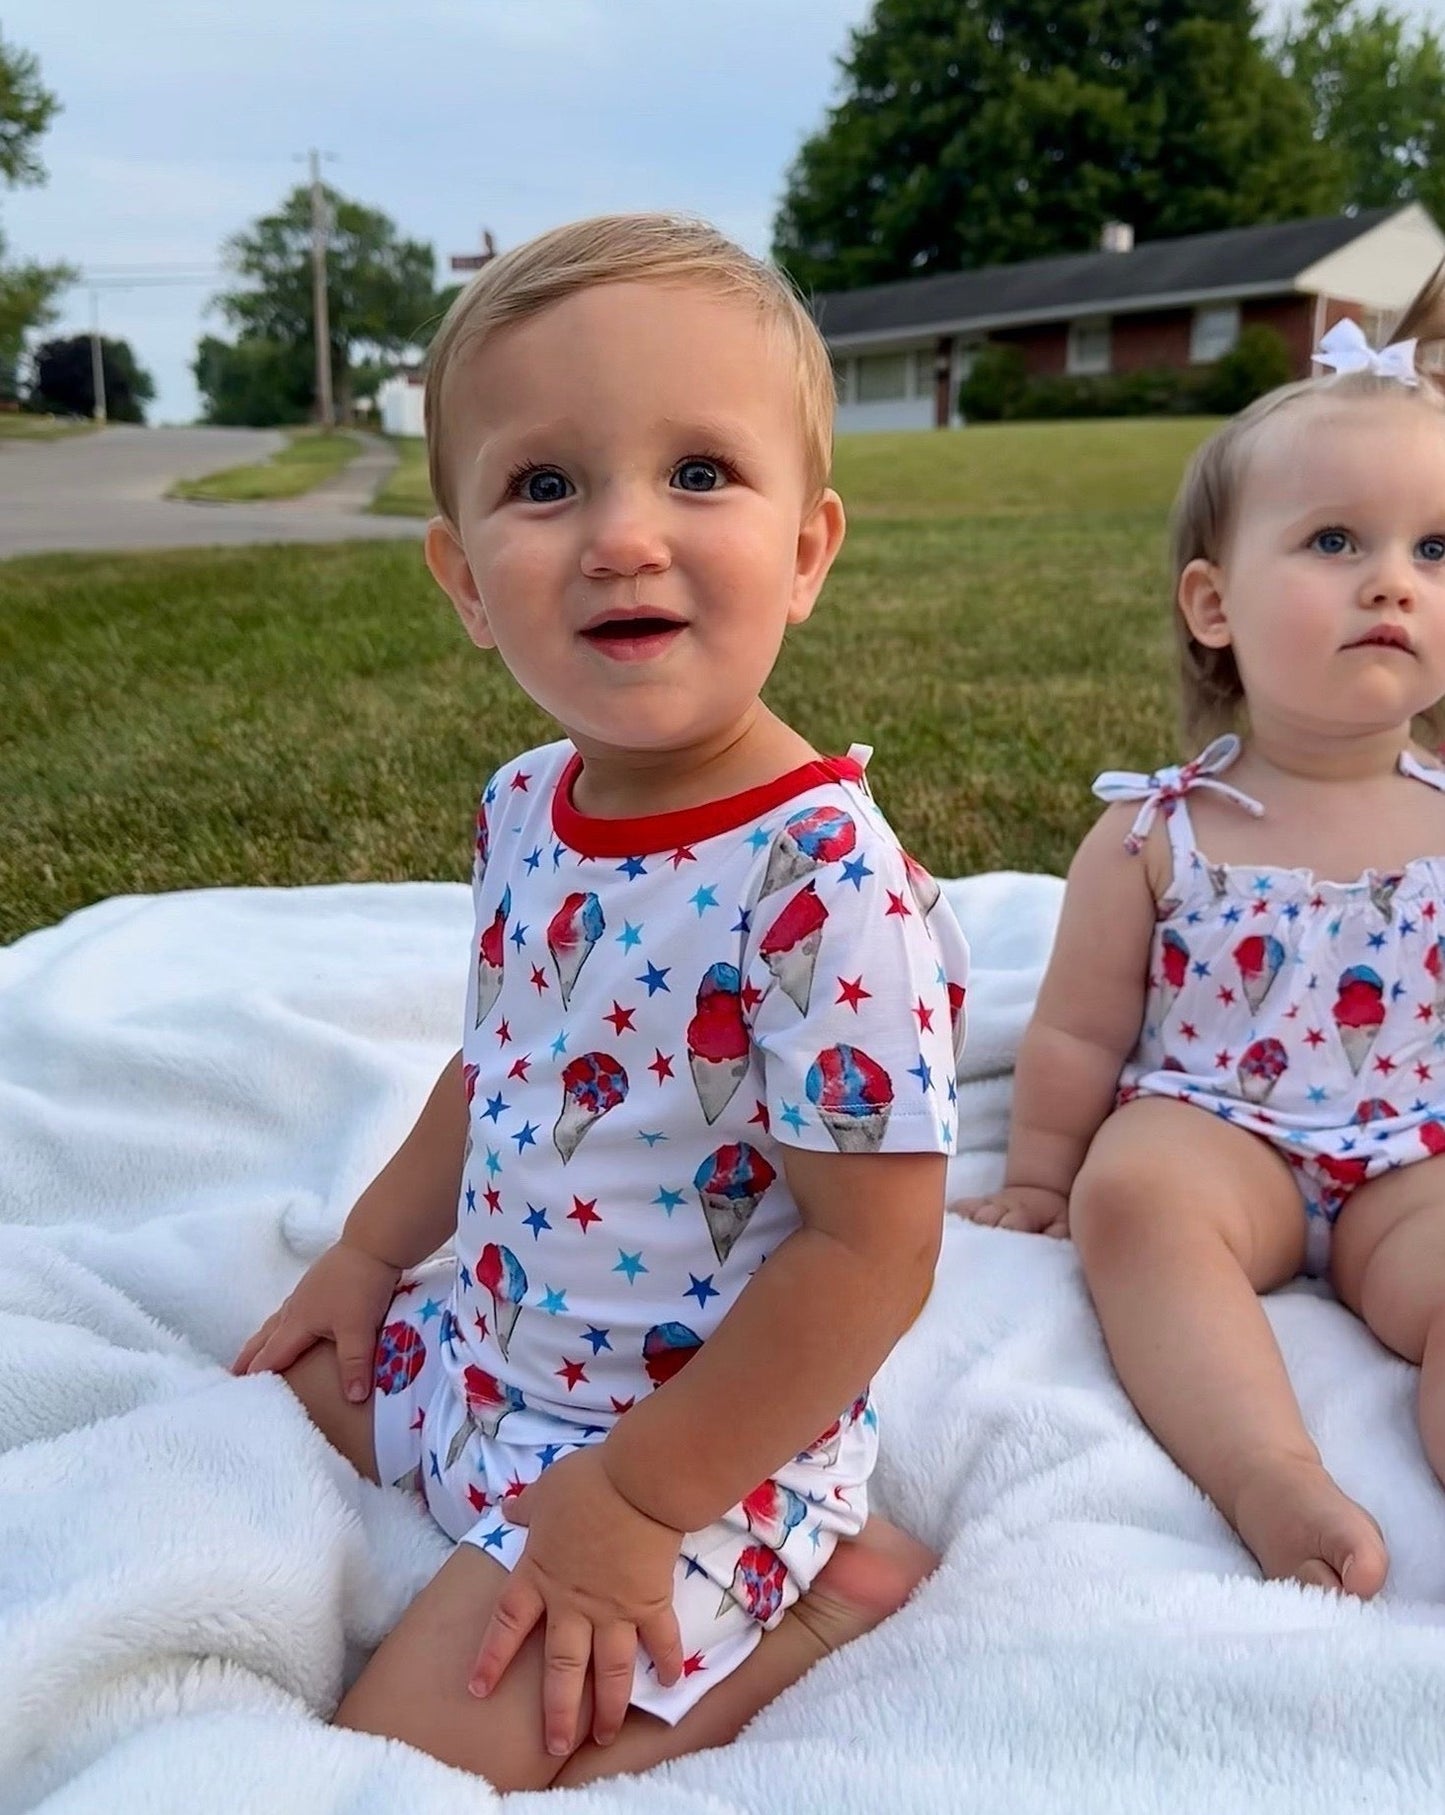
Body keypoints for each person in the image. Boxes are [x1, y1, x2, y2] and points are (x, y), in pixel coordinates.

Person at [234, 212, 969, 1790]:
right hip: (495, 1350)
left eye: (698, 474)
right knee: (285, 1373)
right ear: (465, 581)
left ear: (805, 550)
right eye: (545, 483)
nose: (622, 535)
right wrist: (371, 1252)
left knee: (399, 1763)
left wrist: (638, 1502)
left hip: (702, 1448)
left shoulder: (820, 883)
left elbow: (874, 1253)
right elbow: (500, 1055)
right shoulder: (524, 802)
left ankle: (814, 1595)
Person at [959, 265, 1445, 1602]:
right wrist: (1049, 1174)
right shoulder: (1160, 833)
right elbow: (1075, 1023)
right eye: (1334, 544)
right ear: (1213, 607)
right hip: (1218, 1131)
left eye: (1434, 551)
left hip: (1410, 1154)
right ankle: (1265, 1471)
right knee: (1139, 1193)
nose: (1388, 585)